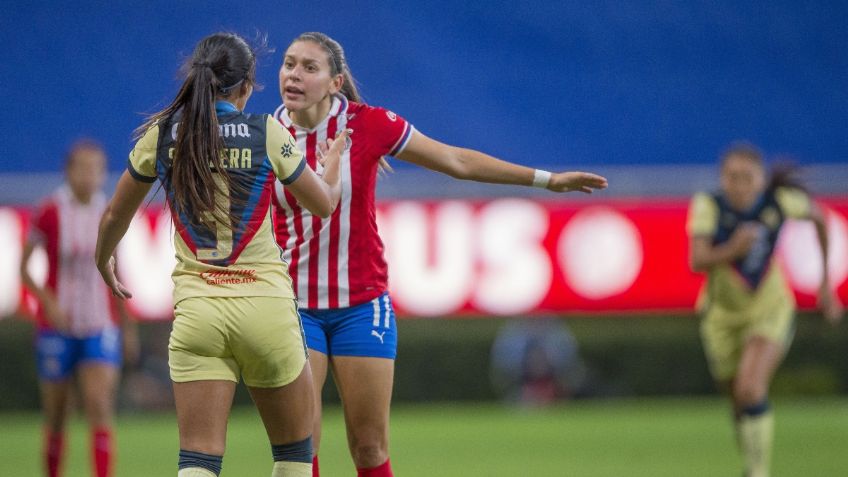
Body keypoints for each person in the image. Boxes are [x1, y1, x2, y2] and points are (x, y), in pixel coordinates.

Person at [271, 31, 608, 477]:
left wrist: (548, 180)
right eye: (289, 64)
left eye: (309, 67)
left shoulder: (370, 125)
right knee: (300, 447)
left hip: (361, 304)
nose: (293, 75)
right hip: (294, 306)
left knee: (370, 447)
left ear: (336, 83)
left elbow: (456, 161)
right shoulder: (267, 136)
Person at [94, 32, 350, 477]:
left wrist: (103, 260)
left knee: (198, 458)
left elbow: (116, 213)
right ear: (246, 85)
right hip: (266, 310)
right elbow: (323, 204)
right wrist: (332, 166)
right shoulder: (266, 132)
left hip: (199, 313)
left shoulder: (163, 134)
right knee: (294, 453)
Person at [687, 142, 842, 477]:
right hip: (721, 317)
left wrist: (825, 282)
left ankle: (758, 472)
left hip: (769, 308)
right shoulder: (708, 205)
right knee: (738, 401)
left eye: (748, 177)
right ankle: (752, 465)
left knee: (750, 389)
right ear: (722, 179)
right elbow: (697, 260)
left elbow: (820, 217)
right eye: (732, 177)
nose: (740, 185)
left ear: (761, 179)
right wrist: (734, 248)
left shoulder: (779, 202)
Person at [19, 139, 139, 477]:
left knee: (99, 405)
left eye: (95, 169)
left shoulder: (109, 212)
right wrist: (47, 302)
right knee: (57, 414)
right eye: (82, 168)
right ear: (68, 171)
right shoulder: (49, 211)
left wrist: (127, 327)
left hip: (100, 324)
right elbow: (24, 269)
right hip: (56, 327)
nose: (89, 176)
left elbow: (119, 271)